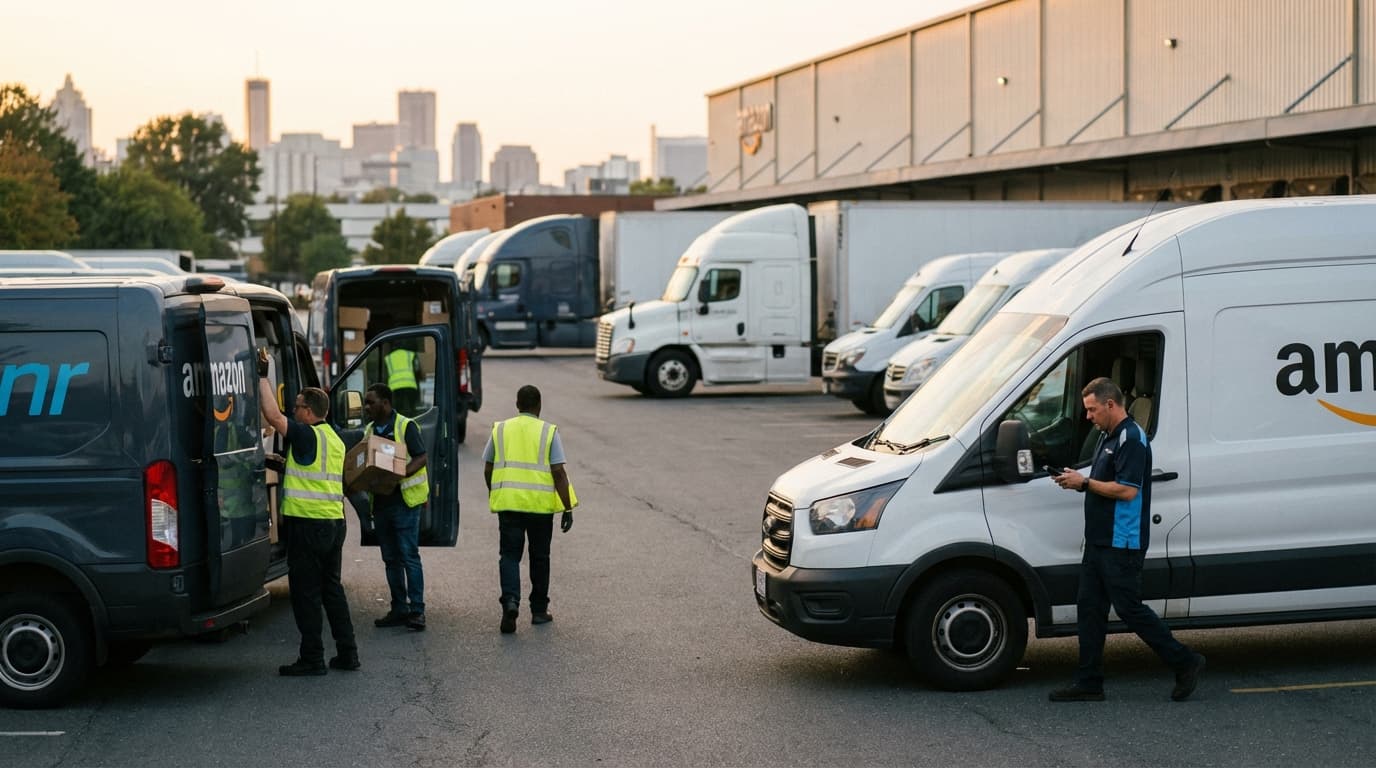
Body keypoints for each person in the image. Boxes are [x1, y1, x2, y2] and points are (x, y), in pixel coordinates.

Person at [1048, 376, 1204, 702]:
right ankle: (1089, 681)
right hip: (1099, 541)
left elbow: (1128, 491)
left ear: (1110, 404)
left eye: (1092, 409)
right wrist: (1077, 479)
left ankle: (1186, 661)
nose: (1087, 416)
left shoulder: (1132, 439)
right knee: (1089, 609)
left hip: (1122, 542)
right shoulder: (1108, 435)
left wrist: (1084, 484)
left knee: (1129, 609)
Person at [256, 354, 359, 676]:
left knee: (306, 593)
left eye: (298, 406)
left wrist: (262, 376)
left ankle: (312, 658)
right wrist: (286, 467)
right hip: (334, 523)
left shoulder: (304, 433)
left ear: (310, 411)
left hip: (308, 526)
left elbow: (272, 416)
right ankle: (348, 653)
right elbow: (318, 470)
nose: (294, 411)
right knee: (332, 589)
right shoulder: (335, 438)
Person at [483, 384, 576, 634]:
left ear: (517, 405)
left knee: (510, 556)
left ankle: (511, 602)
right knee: (540, 557)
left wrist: (496, 492)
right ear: (539, 406)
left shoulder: (500, 429)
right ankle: (538, 611)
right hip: (540, 508)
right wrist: (567, 508)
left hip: (510, 505)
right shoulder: (549, 431)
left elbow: (488, 468)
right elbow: (558, 472)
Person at [360, 383, 429, 631]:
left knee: (409, 556)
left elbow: (421, 457)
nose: (367, 407)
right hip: (380, 503)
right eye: (366, 403)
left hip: (404, 503)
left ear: (386, 403)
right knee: (390, 559)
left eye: (371, 402)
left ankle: (417, 611)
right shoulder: (370, 430)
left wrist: (397, 475)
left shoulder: (405, 426)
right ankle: (399, 608)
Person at [383, 341, 421, 416]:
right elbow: (417, 370)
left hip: (395, 386)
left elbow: (385, 375)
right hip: (410, 384)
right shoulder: (410, 354)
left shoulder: (388, 358)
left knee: (399, 408)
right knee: (412, 408)